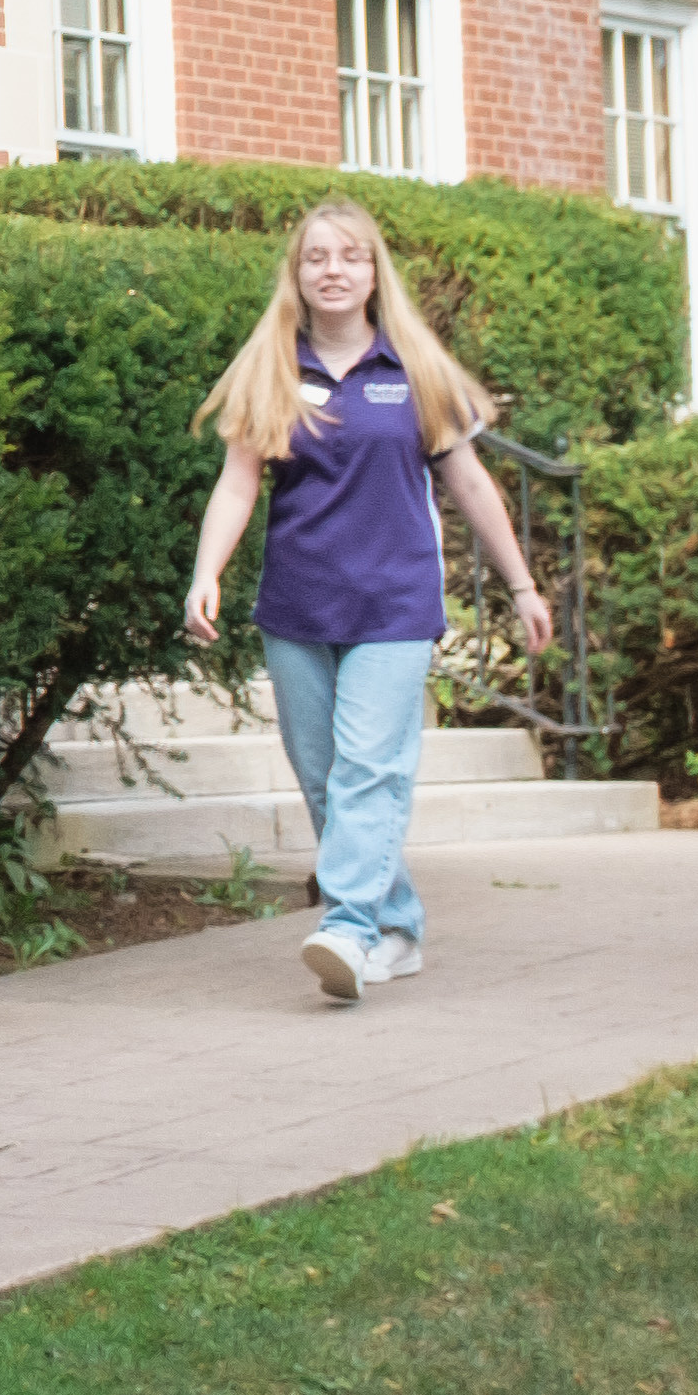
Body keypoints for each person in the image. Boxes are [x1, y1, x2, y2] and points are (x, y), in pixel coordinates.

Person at [180, 199, 549, 1003]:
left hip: (394, 606)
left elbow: (470, 483)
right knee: (323, 778)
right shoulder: (274, 367)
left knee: (370, 772)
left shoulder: (414, 369)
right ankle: (398, 925)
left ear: (375, 272)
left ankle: (347, 927)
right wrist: (206, 572)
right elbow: (238, 483)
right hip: (298, 607)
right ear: (298, 274)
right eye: (317, 257)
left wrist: (520, 584)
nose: (333, 270)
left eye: (350, 256)